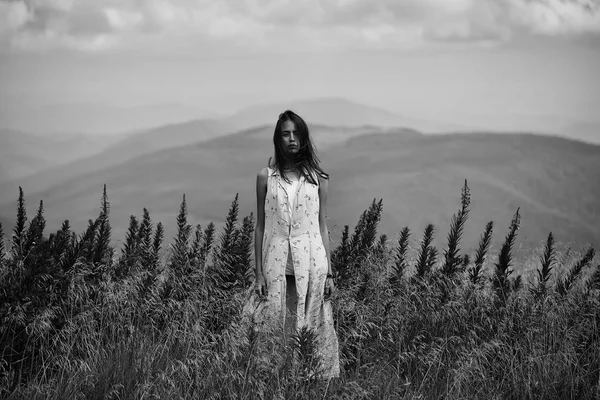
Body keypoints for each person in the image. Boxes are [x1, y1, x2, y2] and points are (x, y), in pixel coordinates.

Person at [245, 110, 340, 379]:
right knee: (275, 320)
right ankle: (270, 377)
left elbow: (321, 226)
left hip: (312, 262)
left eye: (296, 134)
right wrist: (259, 273)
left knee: (308, 323)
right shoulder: (266, 177)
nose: (291, 139)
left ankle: (307, 380)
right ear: (278, 139)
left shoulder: (318, 179)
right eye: (286, 134)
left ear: (304, 139)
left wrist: (330, 272)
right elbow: (260, 225)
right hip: (276, 262)